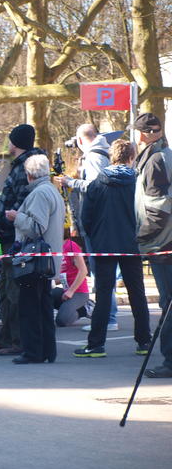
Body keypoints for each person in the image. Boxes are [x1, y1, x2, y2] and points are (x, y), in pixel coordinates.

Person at [74, 139, 151, 358]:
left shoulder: (98, 183)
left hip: (105, 244)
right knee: (137, 293)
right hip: (131, 244)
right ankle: (144, 341)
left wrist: (96, 236)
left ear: (111, 156)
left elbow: (86, 216)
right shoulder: (138, 182)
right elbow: (145, 213)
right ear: (131, 157)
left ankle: (96, 344)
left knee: (104, 294)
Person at [0, 124, 46, 356]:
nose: (8, 143)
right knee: (4, 288)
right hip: (8, 236)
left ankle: (17, 340)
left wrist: (7, 222)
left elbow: (20, 201)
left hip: (15, 238)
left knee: (14, 291)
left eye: (11, 139)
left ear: (16, 142)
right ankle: (5, 338)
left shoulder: (25, 167)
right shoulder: (20, 164)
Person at [55, 124, 120, 331]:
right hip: (104, 223)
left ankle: (108, 318)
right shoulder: (104, 154)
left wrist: (70, 182)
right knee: (105, 272)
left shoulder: (93, 157)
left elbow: (94, 187)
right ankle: (108, 316)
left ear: (81, 140)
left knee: (101, 272)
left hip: (97, 224)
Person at [5, 154, 65, 364]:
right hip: (46, 260)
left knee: (30, 307)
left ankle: (33, 351)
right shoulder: (51, 190)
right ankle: (48, 350)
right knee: (44, 307)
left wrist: (16, 217)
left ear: (29, 174)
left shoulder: (39, 193)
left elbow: (37, 227)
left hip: (35, 262)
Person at [129, 113, 172, 377]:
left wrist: (144, 238)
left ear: (142, 134)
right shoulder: (162, 155)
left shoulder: (155, 159)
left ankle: (170, 362)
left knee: (168, 304)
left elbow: (158, 207)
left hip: (163, 244)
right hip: (163, 241)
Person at [52, 229, 90, 327]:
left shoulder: (71, 246)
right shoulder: (55, 247)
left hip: (79, 292)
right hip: (65, 290)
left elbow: (83, 271)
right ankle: (71, 308)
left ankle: (83, 310)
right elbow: (61, 276)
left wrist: (71, 291)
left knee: (61, 321)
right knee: (48, 295)